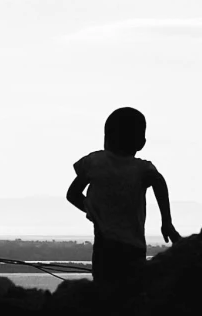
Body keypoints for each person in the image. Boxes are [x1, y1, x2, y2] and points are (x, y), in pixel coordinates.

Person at [66, 105, 180, 289]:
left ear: (106, 138)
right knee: (132, 291)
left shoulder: (95, 162)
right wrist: (166, 221)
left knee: (104, 288)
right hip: (133, 246)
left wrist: (93, 211)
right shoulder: (142, 169)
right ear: (141, 143)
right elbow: (159, 183)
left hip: (105, 245)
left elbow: (72, 195)